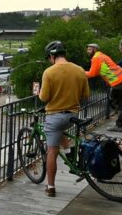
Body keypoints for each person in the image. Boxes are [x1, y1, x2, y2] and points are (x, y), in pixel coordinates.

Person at [38, 41, 90, 197]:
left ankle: (51, 186)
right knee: (63, 132)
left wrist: (40, 93)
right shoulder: (79, 70)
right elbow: (86, 95)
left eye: (49, 58)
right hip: (72, 115)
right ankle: (70, 156)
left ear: (52, 56)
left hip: (54, 116)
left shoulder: (49, 72)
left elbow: (44, 97)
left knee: (52, 151)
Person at [86, 43, 122, 132]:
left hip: (118, 81)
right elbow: (100, 70)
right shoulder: (102, 56)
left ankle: (120, 125)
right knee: (121, 102)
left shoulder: (96, 58)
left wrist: (79, 72)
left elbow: (92, 73)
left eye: (89, 49)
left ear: (95, 49)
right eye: (87, 50)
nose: (87, 52)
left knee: (114, 102)